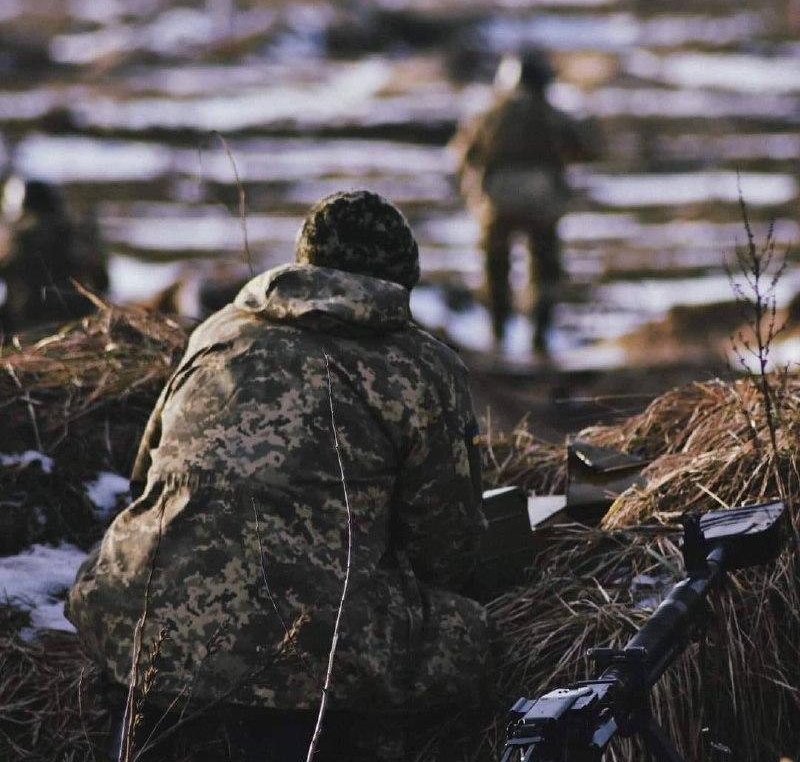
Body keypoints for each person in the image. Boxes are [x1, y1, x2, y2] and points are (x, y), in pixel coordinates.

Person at [67, 190, 491, 761]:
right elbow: (447, 549)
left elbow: (142, 479)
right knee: (470, 638)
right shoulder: (421, 365)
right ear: (401, 277)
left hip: (139, 624)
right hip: (305, 654)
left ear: (304, 262)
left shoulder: (218, 333)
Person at [450, 47, 602, 355]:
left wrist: (471, 192)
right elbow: (588, 148)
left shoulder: (489, 115)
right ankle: (540, 336)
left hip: (496, 202)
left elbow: (462, 154)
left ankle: (497, 331)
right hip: (543, 199)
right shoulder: (553, 115)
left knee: (495, 267)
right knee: (544, 268)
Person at [0, 177, 109, 334]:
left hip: (29, 325)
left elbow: (102, 282)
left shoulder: (12, 243)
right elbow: (103, 284)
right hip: (74, 325)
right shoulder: (78, 240)